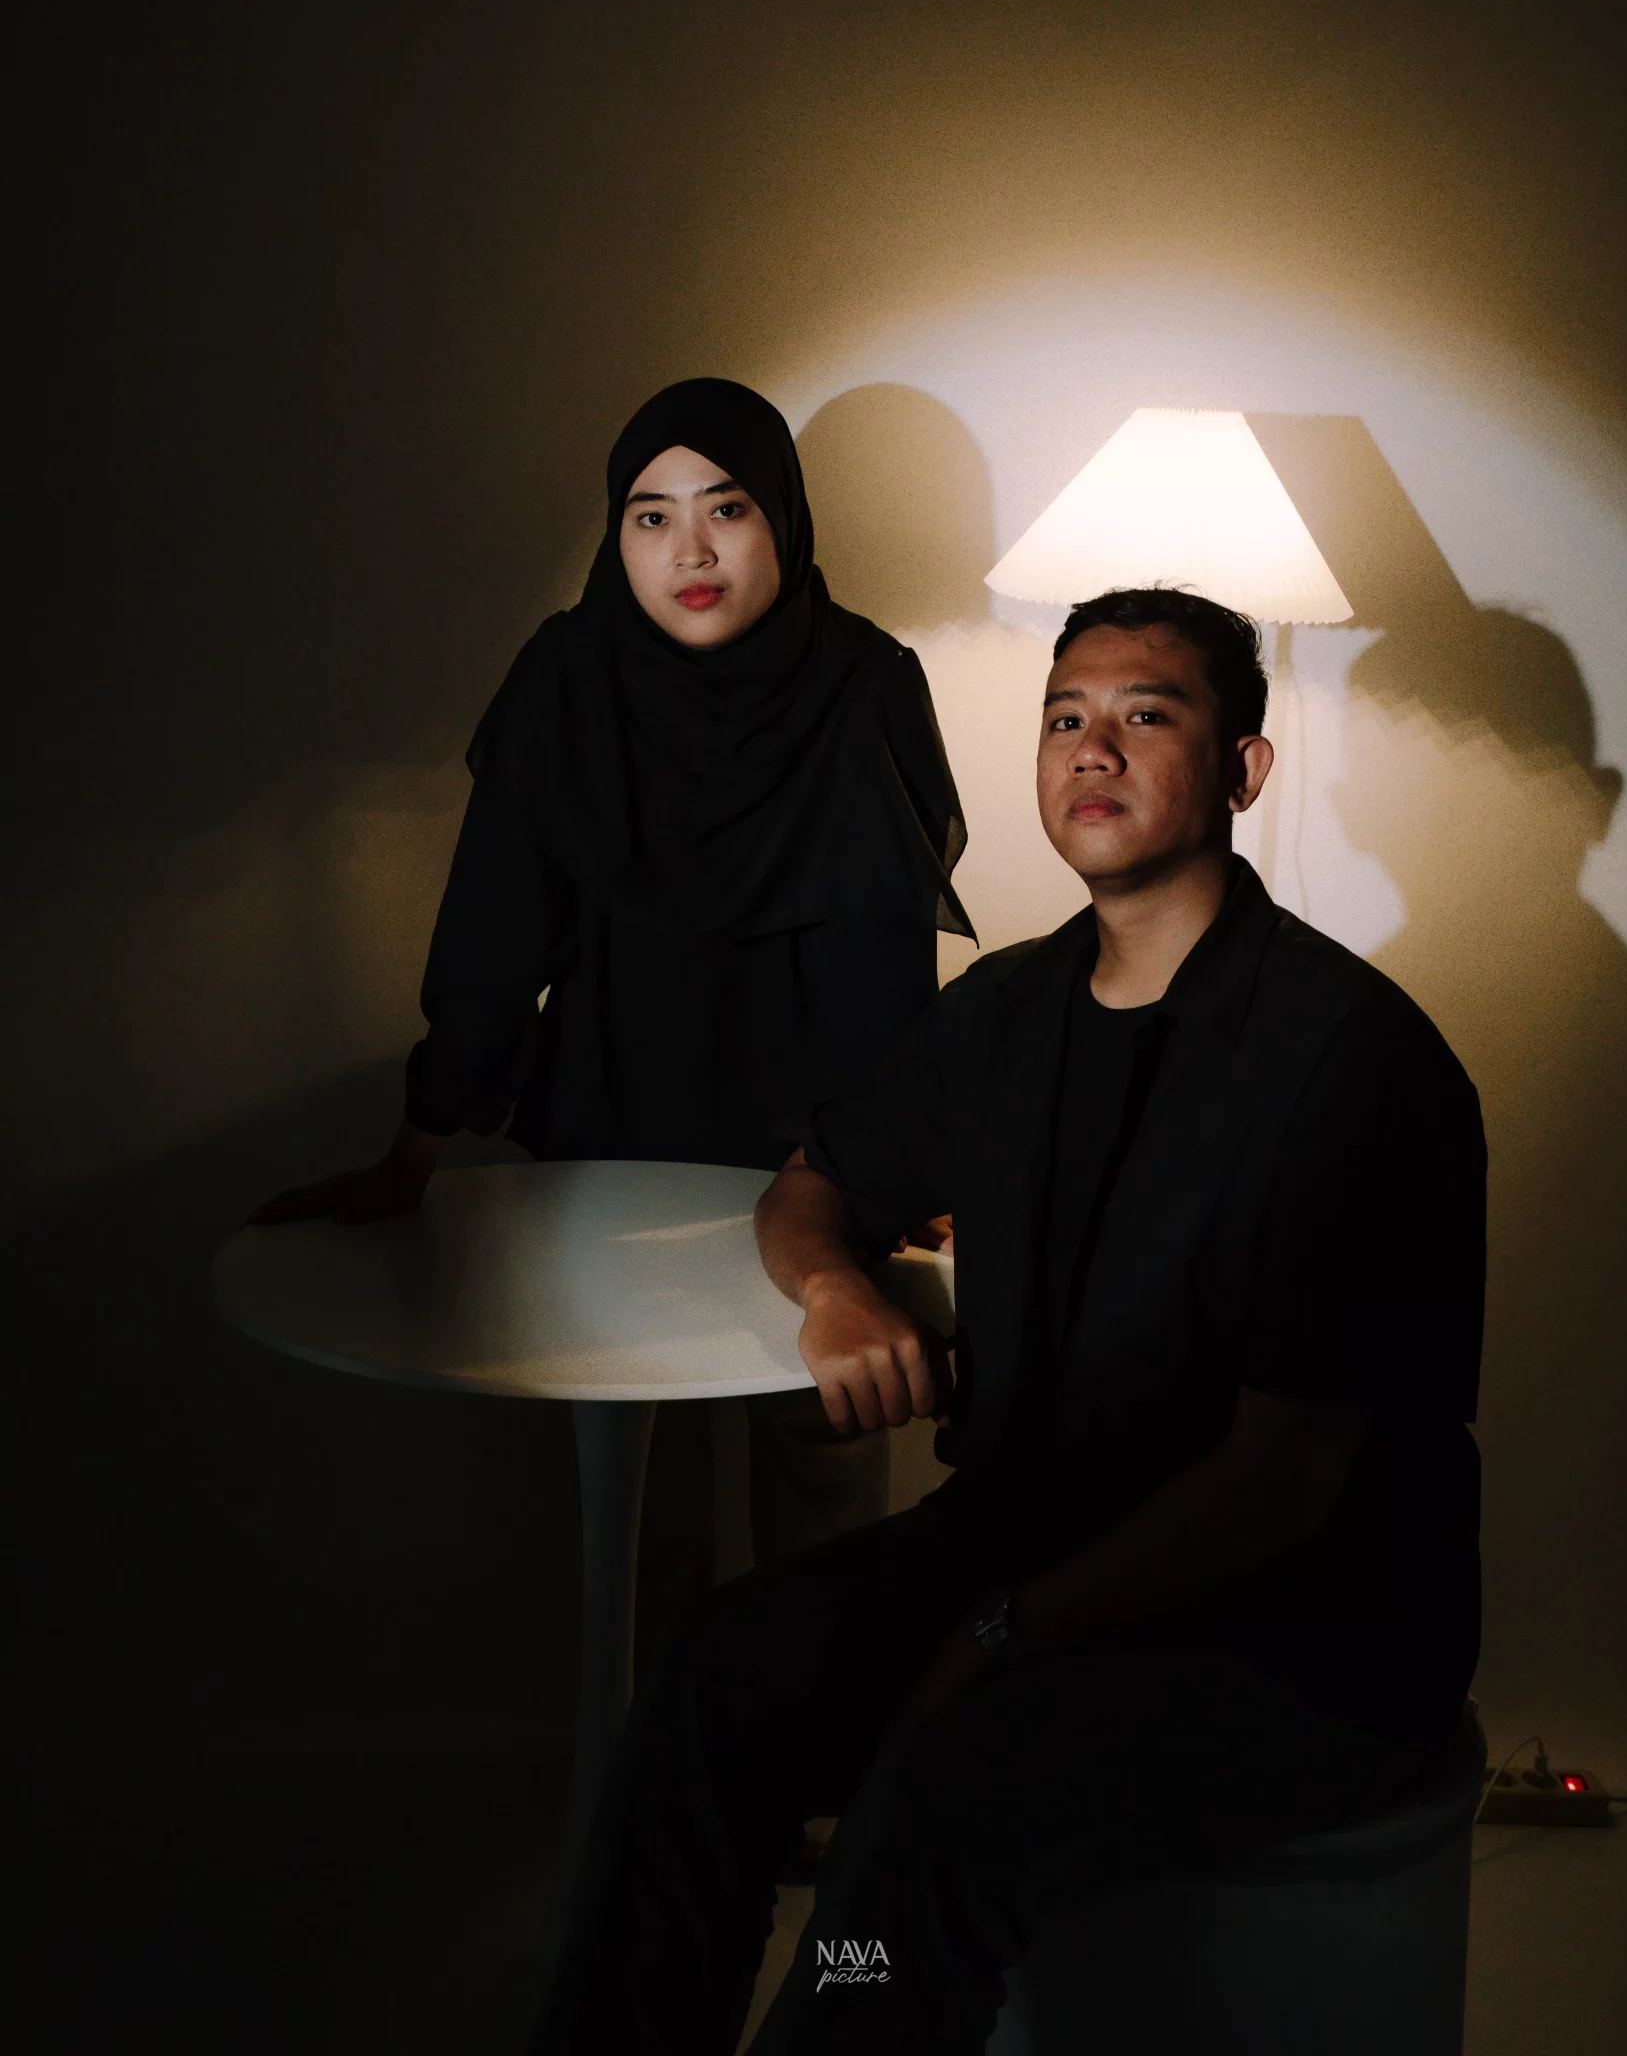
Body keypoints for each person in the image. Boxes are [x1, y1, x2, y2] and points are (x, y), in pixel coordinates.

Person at [524, 584, 1487, 2056]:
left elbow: (1280, 1483)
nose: (1091, 749)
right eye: (1063, 718)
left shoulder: (1353, 1060)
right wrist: (836, 1290)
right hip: (1028, 1538)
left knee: (933, 1805)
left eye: (1144, 716)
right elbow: (811, 1185)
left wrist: (996, 1634)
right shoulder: (1007, 1010)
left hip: (1300, 1633)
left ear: (1242, 770)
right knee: (720, 1669)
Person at [255, 375, 972, 1626]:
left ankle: (813, 1750)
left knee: (826, 1485)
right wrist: (415, 1150)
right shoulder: (566, 679)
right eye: (651, 516)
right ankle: (664, 1752)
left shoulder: (864, 682)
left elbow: (888, 967)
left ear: (784, 519)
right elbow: (492, 939)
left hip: (818, 1172)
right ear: (617, 533)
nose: (690, 551)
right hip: (613, 1159)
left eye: (727, 508)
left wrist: (900, 1169)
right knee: (646, 1507)